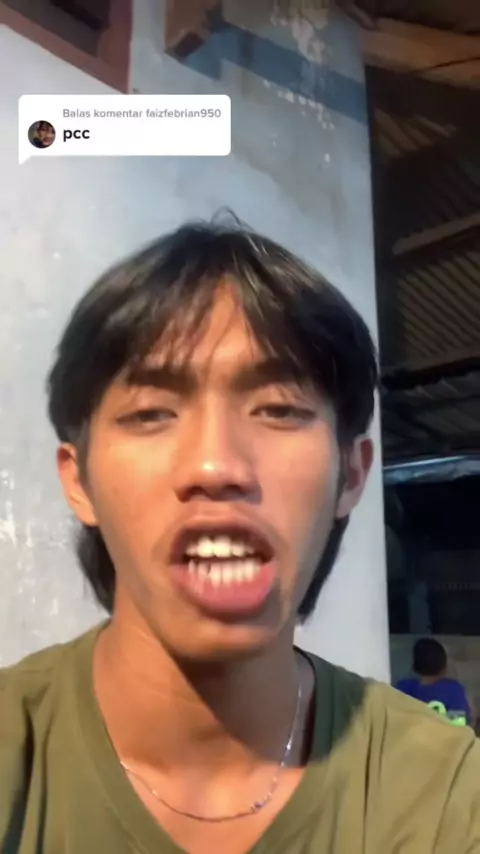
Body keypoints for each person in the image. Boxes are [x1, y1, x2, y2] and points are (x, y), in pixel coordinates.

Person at [1, 218, 479, 854]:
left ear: (351, 474)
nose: (215, 466)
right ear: (79, 479)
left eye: (279, 409)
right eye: (151, 413)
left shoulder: (443, 791)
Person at [396, 637, 473, 727]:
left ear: (415, 665)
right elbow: (466, 721)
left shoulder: (403, 688)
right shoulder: (453, 690)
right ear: (444, 665)